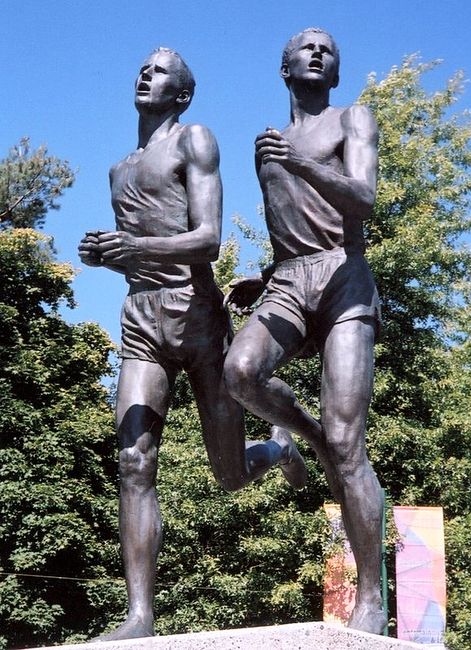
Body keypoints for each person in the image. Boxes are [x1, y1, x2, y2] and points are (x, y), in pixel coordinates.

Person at [78, 47, 306, 641]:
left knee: (229, 476)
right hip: (140, 322)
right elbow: (141, 252)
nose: (144, 73)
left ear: (181, 94)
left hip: (198, 319)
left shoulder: (193, 139)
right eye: (142, 67)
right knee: (133, 461)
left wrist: (136, 250)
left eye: (160, 71)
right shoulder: (119, 170)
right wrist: (109, 257)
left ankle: (278, 449)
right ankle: (139, 616)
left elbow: (206, 239)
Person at [224, 28, 386, 635]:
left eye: (329, 49)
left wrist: (304, 163)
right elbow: (292, 223)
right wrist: (264, 274)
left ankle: (370, 597)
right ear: (284, 67)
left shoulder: (352, 118)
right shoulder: (266, 145)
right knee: (240, 373)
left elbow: (363, 198)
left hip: (345, 278)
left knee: (350, 447)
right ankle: (300, 440)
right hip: (292, 279)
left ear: (335, 73)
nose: (318, 52)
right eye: (305, 47)